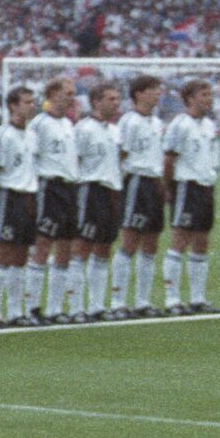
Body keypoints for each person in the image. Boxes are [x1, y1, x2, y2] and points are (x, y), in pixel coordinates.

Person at [160, 78, 220, 314]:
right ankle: (172, 299)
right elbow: (168, 159)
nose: (209, 99)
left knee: (202, 242)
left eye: (210, 94)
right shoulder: (180, 124)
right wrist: (169, 188)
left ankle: (198, 299)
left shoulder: (208, 125)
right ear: (190, 99)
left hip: (206, 186)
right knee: (179, 240)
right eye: (204, 94)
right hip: (186, 186)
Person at [72, 81, 128, 319]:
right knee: (82, 246)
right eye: (111, 99)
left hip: (112, 191)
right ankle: (76, 307)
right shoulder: (83, 129)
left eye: (118, 99)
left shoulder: (115, 131)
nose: (116, 103)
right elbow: (74, 160)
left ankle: (96, 305)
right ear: (96, 101)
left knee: (104, 247)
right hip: (90, 189)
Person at [0, 86, 41, 329]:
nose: (32, 106)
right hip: (8, 196)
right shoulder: (2, 135)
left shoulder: (32, 135)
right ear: (13, 106)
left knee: (21, 255)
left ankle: (16, 310)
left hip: (29, 197)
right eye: (27, 102)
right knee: (5, 253)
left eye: (33, 102)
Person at [30, 77, 83, 321]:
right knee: (42, 244)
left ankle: (54, 308)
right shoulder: (40, 124)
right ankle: (30, 307)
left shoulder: (69, 125)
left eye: (73, 93)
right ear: (52, 93)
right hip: (49, 187)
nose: (71, 97)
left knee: (66, 247)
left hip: (69, 188)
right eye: (67, 93)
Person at [116, 74, 169, 314]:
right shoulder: (129, 121)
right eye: (153, 89)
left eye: (159, 89)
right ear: (138, 94)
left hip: (153, 182)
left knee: (151, 242)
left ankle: (143, 301)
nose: (158, 93)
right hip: (136, 182)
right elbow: (121, 155)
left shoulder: (157, 123)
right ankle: (118, 301)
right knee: (130, 240)